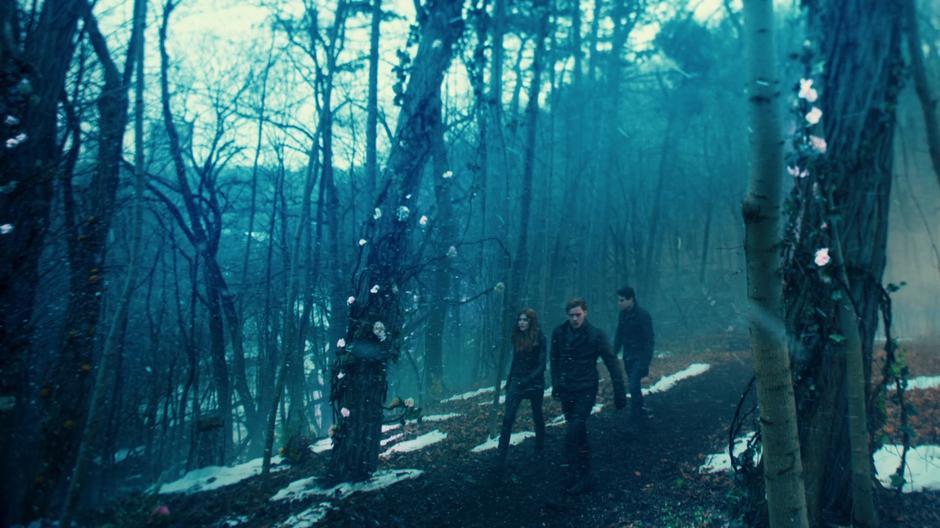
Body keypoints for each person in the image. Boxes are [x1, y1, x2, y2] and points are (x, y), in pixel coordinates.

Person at [550, 298, 627, 494]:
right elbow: (555, 359)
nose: (575, 319)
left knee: (573, 431)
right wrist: (556, 383)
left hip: (586, 389)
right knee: (579, 431)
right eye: (571, 315)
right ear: (567, 315)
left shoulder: (596, 335)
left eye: (578, 315)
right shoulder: (559, 333)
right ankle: (585, 475)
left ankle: (570, 476)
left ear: (586, 312)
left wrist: (619, 391)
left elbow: (611, 362)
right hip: (568, 389)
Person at [495, 308, 547, 468]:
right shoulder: (517, 337)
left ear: (531, 321)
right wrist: (510, 380)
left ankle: (540, 448)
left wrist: (528, 380)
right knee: (508, 418)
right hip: (517, 382)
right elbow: (516, 361)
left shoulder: (540, 337)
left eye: (525, 320)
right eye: (520, 320)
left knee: (537, 415)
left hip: (534, 382)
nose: (521, 323)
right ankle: (500, 456)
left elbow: (542, 365)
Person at [613, 286, 655, 421]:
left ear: (631, 299)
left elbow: (649, 340)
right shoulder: (623, 315)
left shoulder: (643, 315)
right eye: (618, 300)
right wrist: (613, 352)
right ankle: (640, 410)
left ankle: (636, 415)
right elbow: (619, 334)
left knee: (633, 385)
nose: (619, 303)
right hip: (628, 356)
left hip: (640, 356)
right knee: (633, 386)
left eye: (622, 300)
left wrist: (645, 362)